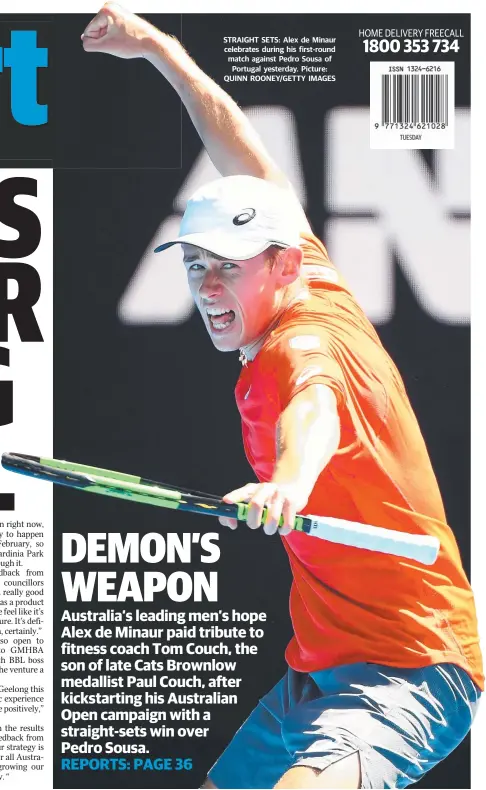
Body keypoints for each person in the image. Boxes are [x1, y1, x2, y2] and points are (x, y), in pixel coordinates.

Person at [82, 6, 483, 788]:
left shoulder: (306, 345)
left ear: (281, 265)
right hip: (315, 679)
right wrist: (161, 49)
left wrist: (287, 484)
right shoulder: (311, 273)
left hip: (411, 669)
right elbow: (239, 146)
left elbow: (317, 409)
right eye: (196, 265)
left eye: (228, 266)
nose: (207, 286)